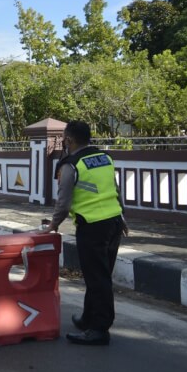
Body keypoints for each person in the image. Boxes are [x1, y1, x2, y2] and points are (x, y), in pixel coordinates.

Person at [43, 121, 128, 346]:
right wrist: (123, 218)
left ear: (69, 140)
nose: (63, 141)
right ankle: (88, 318)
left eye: (64, 137)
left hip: (92, 226)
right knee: (100, 274)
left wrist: (54, 224)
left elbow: (63, 201)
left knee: (97, 278)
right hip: (114, 222)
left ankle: (99, 329)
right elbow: (115, 190)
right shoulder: (104, 158)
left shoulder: (71, 165)